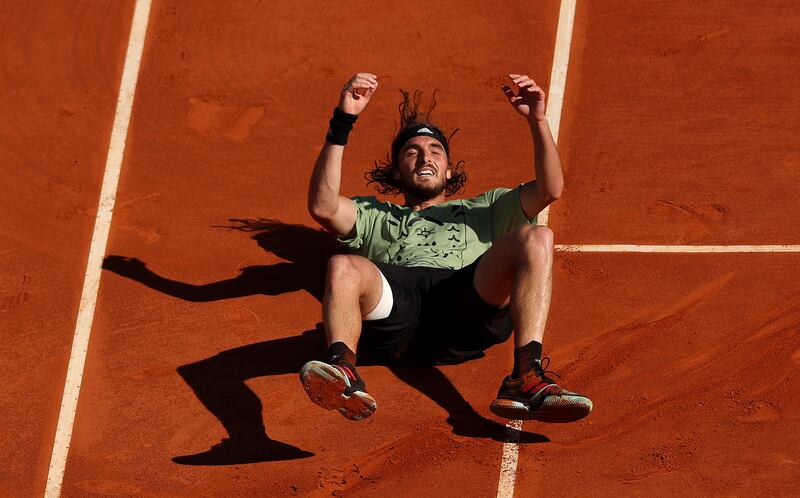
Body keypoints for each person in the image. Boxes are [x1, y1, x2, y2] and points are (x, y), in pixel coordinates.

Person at [300, 72, 592, 423]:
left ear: (449, 171)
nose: (425, 158)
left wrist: (538, 121)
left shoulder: (485, 208)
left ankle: (525, 376)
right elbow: (323, 206)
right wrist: (343, 121)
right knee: (341, 265)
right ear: (396, 173)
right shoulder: (374, 215)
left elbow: (550, 189)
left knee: (538, 237)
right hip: (395, 313)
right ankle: (344, 371)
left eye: (435, 151)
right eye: (412, 152)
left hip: (463, 304)